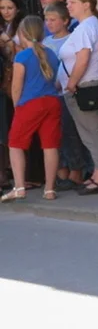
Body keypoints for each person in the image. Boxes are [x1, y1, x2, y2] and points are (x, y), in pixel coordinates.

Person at [1, 17, 61, 202]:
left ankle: (19, 187)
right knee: (50, 146)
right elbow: (56, 81)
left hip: (30, 103)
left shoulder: (23, 56)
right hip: (52, 101)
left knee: (15, 144)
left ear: (22, 33)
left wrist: (17, 105)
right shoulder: (50, 53)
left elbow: (17, 86)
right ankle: (50, 189)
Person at [61, 0, 98, 195]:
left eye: (72, 2)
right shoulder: (89, 25)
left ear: (86, 4)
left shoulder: (86, 27)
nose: (68, 6)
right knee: (89, 134)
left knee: (94, 133)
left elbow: (83, 59)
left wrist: (72, 83)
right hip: (85, 86)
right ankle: (97, 174)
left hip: (84, 87)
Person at [42, 3, 89, 191]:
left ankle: (76, 171)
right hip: (50, 94)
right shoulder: (45, 42)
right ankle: (61, 171)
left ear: (66, 21)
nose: (49, 23)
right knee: (56, 134)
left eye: (53, 20)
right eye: (47, 20)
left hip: (66, 92)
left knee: (71, 132)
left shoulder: (72, 39)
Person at [0, 0, 27, 186]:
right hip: (5, 79)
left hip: (19, 77)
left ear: (17, 8)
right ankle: (8, 168)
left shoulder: (22, 26)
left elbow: (24, 53)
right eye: (2, 8)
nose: (6, 12)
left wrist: (7, 41)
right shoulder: (2, 26)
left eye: (9, 8)